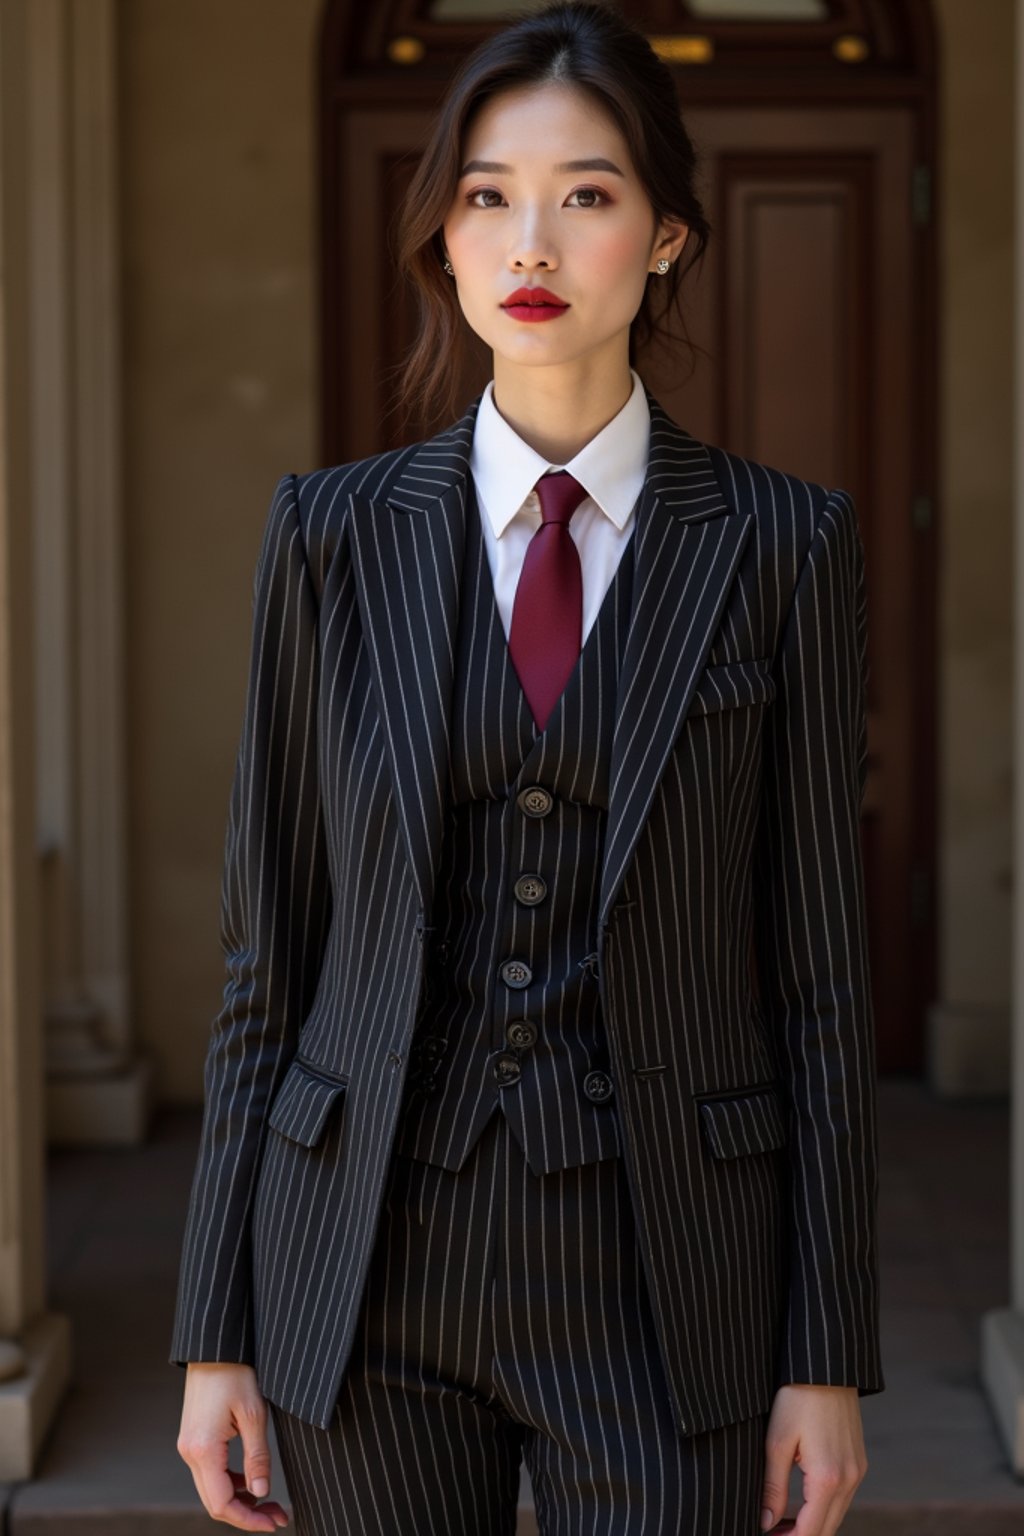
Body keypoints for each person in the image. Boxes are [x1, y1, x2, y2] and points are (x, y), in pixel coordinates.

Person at [171, 3, 885, 1532]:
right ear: (443, 237)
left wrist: (824, 1357)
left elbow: (822, 979)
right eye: (488, 194)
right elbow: (268, 953)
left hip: (665, 1276)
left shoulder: (783, 547)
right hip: (362, 1267)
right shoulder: (331, 536)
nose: (532, 242)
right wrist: (215, 1326)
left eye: (589, 193)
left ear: (672, 234)